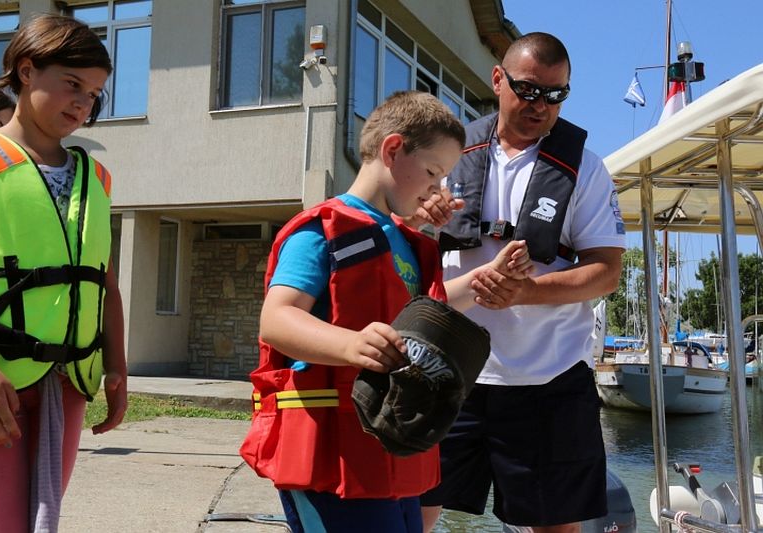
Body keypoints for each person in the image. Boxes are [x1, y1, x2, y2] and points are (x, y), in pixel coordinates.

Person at [240, 90, 532, 533]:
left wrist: (486, 277)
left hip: (390, 459)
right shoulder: (323, 231)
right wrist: (352, 344)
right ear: (393, 149)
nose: (437, 189)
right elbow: (277, 320)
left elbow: (422, 311)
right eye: (433, 173)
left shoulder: (403, 240)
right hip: (332, 464)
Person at [419, 32, 626, 533]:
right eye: (529, 90)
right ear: (498, 79)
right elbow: (400, 244)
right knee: (412, 511)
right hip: (449, 369)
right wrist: (417, 217)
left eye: (556, 96)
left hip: (548, 379)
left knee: (555, 525)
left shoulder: (586, 169)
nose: (541, 106)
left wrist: (528, 292)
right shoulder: (446, 155)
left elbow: (607, 269)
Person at [0, 14, 127, 532]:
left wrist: (117, 366)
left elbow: (106, 284)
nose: (83, 103)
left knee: (38, 522)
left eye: (95, 93)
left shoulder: (95, 179)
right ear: (27, 71)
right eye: (72, 84)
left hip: (67, 383)